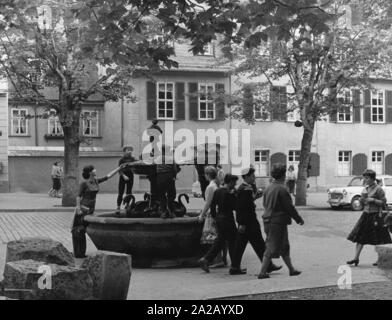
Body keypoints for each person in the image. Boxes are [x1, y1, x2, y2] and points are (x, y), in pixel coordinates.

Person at [230, 167, 282, 276]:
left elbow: (248, 202)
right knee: (259, 244)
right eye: (253, 176)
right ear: (247, 177)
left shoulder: (245, 188)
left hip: (247, 222)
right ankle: (268, 266)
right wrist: (242, 223)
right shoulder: (245, 189)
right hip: (249, 223)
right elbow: (243, 208)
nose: (254, 178)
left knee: (242, 245)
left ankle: (235, 267)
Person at [258, 163, 305, 279]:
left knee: (284, 246)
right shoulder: (282, 189)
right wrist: (298, 219)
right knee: (270, 246)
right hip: (277, 222)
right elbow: (289, 207)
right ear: (283, 175)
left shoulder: (269, 187)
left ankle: (292, 269)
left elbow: (265, 204)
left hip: (268, 220)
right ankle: (262, 272)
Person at [71, 164, 122, 258]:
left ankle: (81, 252)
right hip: (83, 208)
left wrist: (119, 168)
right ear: (90, 172)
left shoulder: (95, 181)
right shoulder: (84, 183)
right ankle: (78, 253)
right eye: (94, 169)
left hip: (91, 208)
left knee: (83, 230)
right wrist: (78, 208)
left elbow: (108, 176)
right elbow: (78, 196)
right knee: (78, 230)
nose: (95, 170)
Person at [347, 169, 392, 266]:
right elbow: (363, 202)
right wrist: (362, 200)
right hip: (366, 215)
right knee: (360, 237)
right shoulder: (366, 189)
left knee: (378, 238)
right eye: (364, 178)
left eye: (367, 178)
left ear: (372, 178)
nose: (365, 179)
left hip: (376, 215)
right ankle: (356, 258)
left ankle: (379, 259)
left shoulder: (378, 189)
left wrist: (373, 200)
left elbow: (383, 203)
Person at [198, 174, 239, 273]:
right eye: (234, 182)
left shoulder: (218, 191)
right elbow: (234, 206)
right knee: (233, 242)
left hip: (219, 218)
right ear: (230, 182)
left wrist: (215, 217)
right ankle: (235, 266)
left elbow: (212, 205)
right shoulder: (228, 193)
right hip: (228, 219)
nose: (235, 184)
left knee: (220, 241)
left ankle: (205, 259)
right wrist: (234, 195)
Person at [154, 145, 180, 219]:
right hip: (169, 177)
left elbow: (155, 167)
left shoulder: (157, 159)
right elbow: (174, 169)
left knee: (162, 195)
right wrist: (174, 176)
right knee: (171, 195)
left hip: (160, 178)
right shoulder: (170, 159)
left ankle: (164, 212)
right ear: (168, 151)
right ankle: (171, 212)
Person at [116, 146, 136, 213]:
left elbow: (138, 163)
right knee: (120, 192)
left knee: (129, 192)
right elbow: (119, 170)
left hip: (130, 176)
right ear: (124, 151)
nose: (130, 151)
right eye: (128, 150)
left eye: (131, 150)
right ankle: (118, 207)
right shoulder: (122, 159)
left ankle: (127, 205)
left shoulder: (133, 158)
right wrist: (124, 176)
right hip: (123, 176)